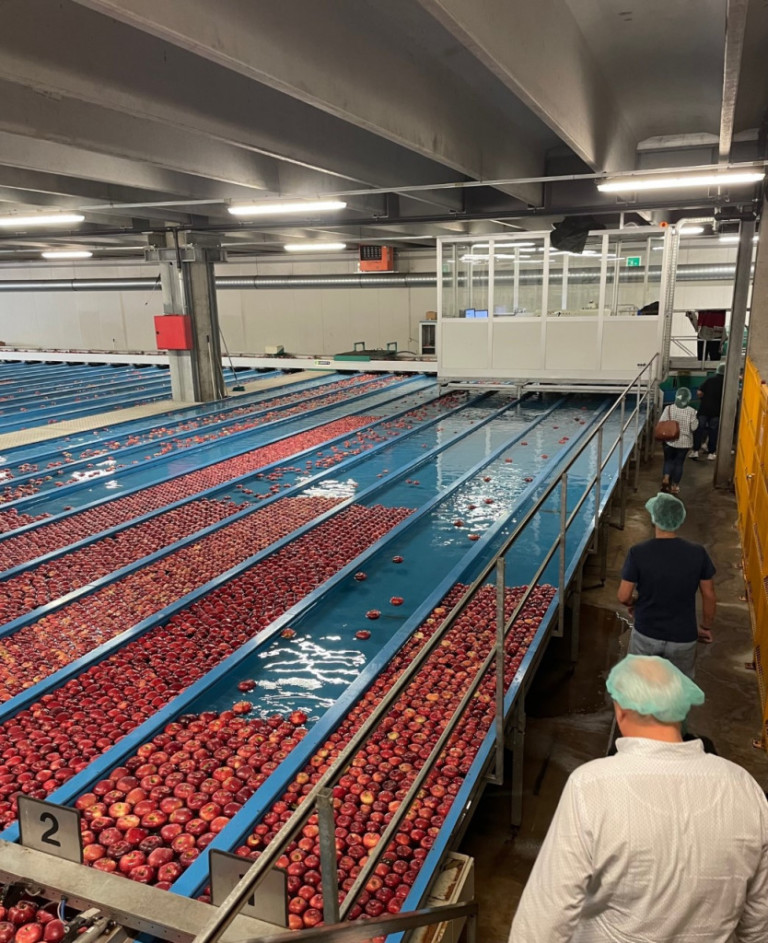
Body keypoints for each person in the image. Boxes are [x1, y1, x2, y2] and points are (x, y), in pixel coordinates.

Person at [508, 655, 768, 943]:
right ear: (680, 711)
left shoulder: (591, 786)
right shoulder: (742, 786)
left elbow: (545, 916)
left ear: (621, 710)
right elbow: (759, 922)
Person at [617, 492, 715, 677]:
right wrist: (706, 626)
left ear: (654, 519)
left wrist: (633, 603)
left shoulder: (638, 552)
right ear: (679, 519)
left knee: (640, 686)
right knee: (677, 689)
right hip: (683, 637)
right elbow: (709, 594)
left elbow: (623, 596)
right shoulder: (698, 553)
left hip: (647, 633)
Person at [658, 387, 698, 493]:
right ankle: (675, 486)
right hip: (684, 443)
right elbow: (694, 427)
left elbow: (661, 422)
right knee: (679, 463)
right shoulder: (691, 411)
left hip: (669, 440)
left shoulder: (669, 408)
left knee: (668, 460)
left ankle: (666, 478)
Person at [690, 362, 725, 462]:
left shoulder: (710, 380)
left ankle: (695, 451)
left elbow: (699, 392)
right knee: (713, 432)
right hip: (717, 411)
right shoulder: (726, 383)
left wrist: (704, 398)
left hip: (704, 409)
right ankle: (711, 453)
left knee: (699, 430)